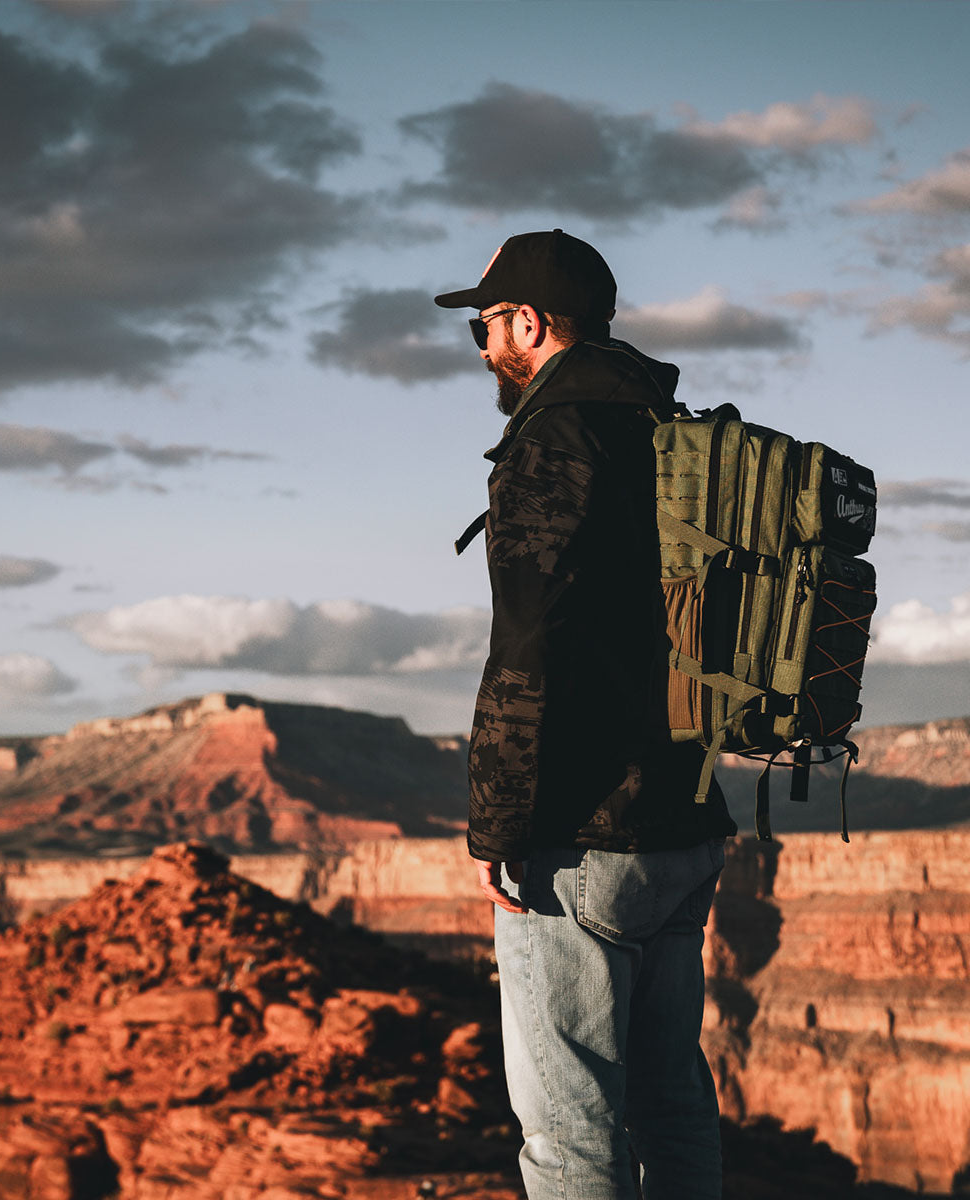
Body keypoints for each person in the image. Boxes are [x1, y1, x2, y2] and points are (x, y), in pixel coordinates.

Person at [435, 230, 737, 1200]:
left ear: (528, 323)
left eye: (484, 329)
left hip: (581, 843)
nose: (483, 351)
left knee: (570, 1141)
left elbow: (528, 642)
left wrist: (497, 825)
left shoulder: (551, 441)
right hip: (685, 827)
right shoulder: (667, 430)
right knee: (675, 1110)